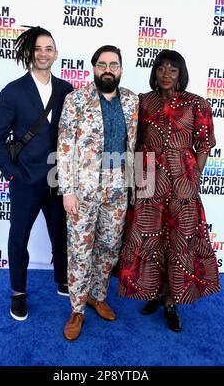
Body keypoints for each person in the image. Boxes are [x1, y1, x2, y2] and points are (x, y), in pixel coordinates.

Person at [118, 49, 220, 333]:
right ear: (155, 72)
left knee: (178, 241)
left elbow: (205, 144)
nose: (166, 74)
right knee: (149, 238)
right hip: (148, 179)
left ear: (180, 73)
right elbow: (134, 142)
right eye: (161, 68)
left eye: (172, 69)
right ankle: (154, 293)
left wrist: (194, 176)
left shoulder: (196, 103)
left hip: (181, 180)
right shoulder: (142, 102)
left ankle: (172, 301)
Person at [0, 26, 73, 321]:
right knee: (19, 237)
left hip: (59, 178)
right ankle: (19, 292)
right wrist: (10, 172)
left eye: (48, 48)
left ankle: (63, 279)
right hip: (24, 178)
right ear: (29, 53)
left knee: (61, 233)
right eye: (38, 48)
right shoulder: (13, 91)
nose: (43, 53)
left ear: (56, 53)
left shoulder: (66, 90)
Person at [57, 45, 139, 341]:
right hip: (83, 189)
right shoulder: (75, 99)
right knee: (80, 249)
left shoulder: (131, 100)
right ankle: (77, 308)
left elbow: (135, 144)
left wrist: (139, 187)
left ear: (120, 69)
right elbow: (64, 148)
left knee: (109, 246)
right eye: (102, 64)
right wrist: (67, 191)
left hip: (118, 187)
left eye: (113, 64)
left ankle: (96, 295)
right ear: (93, 68)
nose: (108, 69)